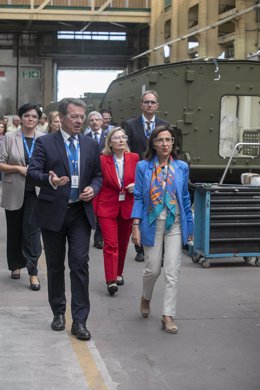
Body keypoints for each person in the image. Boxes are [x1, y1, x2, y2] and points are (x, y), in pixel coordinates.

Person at [27, 97, 102, 341]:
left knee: (80, 263)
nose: (80, 120)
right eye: (75, 116)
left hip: (80, 211)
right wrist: (50, 180)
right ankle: (59, 312)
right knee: (56, 265)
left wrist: (93, 188)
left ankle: (80, 320)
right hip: (53, 211)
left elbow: (98, 176)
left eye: (83, 116)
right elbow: (33, 172)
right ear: (62, 117)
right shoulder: (45, 143)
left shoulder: (91, 145)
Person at [131, 125, 193, 334]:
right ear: (153, 144)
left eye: (169, 140)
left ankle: (168, 315)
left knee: (172, 271)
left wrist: (190, 226)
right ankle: (146, 297)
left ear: (173, 143)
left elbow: (185, 197)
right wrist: (135, 226)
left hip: (175, 223)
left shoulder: (182, 167)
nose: (165, 144)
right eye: (160, 140)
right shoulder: (143, 167)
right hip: (152, 223)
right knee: (153, 269)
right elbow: (139, 196)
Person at [0, 103, 43, 290]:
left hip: (36, 192)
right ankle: (16, 265)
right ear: (20, 118)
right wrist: (18, 168)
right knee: (15, 229)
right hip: (14, 189)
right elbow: (1, 163)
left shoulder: (43, 139)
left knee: (32, 231)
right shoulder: (10, 137)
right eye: (27, 116)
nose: (30, 119)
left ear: (38, 119)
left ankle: (33, 272)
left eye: (34, 116)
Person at [124, 90, 169, 262]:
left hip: (159, 171)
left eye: (152, 102)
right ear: (141, 105)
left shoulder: (164, 124)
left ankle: (160, 246)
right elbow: (127, 149)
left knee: (159, 206)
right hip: (138, 171)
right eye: (146, 102)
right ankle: (140, 248)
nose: (149, 105)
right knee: (141, 206)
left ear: (157, 105)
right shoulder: (130, 124)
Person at [94, 127, 138, 295]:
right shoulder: (103, 159)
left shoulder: (134, 158)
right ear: (110, 142)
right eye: (117, 138)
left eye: (123, 137)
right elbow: (98, 182)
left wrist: (136, 186)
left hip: (127, 205)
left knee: (123, 243)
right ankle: (111, 279)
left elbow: (140, 179)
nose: (121, 140)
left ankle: (118, 273)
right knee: (111, 244)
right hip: (107, 207)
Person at [85, 111, 107, 249]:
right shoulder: (84, 137)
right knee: (92, 207)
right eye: (91, 120)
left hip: (105, 175)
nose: (94, 122)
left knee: (103, 208)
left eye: (97, 119)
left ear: (102, 122)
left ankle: (99, 238)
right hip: (90, 177)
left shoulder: (108, 137)